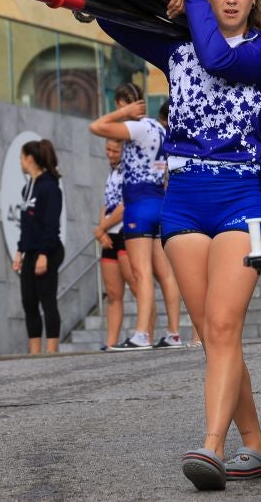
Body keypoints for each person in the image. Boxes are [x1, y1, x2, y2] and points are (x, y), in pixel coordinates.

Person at [98, 0, 261, 490]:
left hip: (241, 197)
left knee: (225, 325)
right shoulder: (177, 45)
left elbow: (217, 55)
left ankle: (211, 447)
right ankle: (255, 446)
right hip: (182, 199)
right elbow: (115, 21)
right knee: (212, 333)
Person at [89, 83, 184, 351]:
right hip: (158, 201)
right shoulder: (160, 128)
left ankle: (142, 334)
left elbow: (96, 127)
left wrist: (124, 113)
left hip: (138, 205)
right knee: (165, 274)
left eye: (120, 107)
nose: (118, 113)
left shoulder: (138, 127)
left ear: (129, 105)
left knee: (142, 273)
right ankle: (173, 333)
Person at [15, 139, 64, 354]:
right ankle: (34, 352)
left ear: (30, 159)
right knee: (29, 301)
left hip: (48, 250)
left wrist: (44, 253)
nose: (20, 161)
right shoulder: (27, 188)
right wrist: (20, 251)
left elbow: (51, 224)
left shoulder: (49, 187)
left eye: (21, 157)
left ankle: (51, 351)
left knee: (47, 299)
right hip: (30, 251)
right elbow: (26, 225)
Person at [92, 138, 136, 350]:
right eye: (107, 150)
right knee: (113, 294)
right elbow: (108, 204)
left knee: (137, 287)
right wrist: (102, 230)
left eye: (114, 150)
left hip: (126, 232)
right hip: (109, 234)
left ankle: (144, 332)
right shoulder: (112, 172)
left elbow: (124, 206)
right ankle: (111, 343)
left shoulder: (130, 169)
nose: (109, 154)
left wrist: (101, 228)